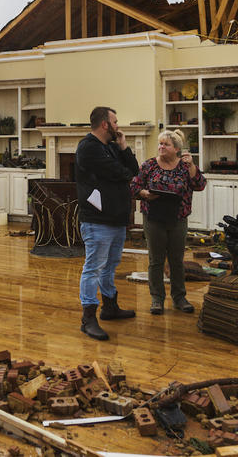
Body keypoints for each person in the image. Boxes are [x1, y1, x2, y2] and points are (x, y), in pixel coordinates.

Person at [75, 106, 140, 341]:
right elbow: (119, 173)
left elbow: (133, 171)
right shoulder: (88, 147)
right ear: (105, 124)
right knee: (93, 267)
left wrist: (123, 147)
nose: (117, 126)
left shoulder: (111, 147)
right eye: (115, 122)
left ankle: (110, 307)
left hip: (115, 218)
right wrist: (124, 170)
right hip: (97, 220)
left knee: (110, 265)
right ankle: (88, 318)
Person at [130, 129, 206, 315]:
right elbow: (133, 187)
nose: (161, 147)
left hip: (178, 219)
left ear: (177, 148)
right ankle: (157, 299)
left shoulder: (184, 166)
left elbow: (200, 185)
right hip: (153, 218)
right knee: (155, 260)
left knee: (176, 261)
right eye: (160, 143)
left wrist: (192, 166)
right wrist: (144, 194)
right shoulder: (149, 165)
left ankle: (180, 298)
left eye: (166, 144)